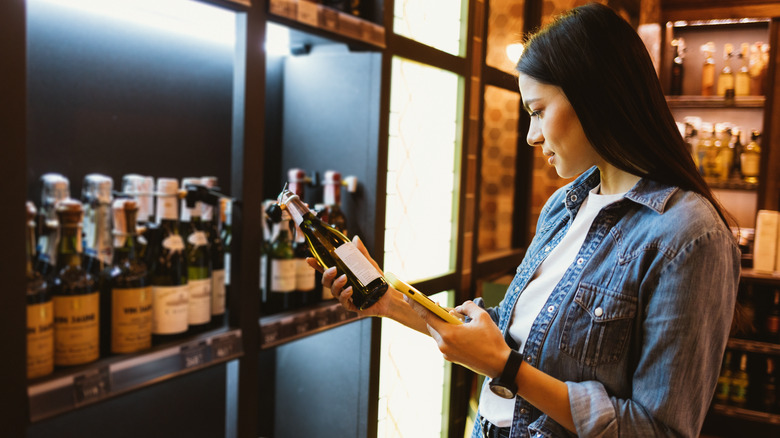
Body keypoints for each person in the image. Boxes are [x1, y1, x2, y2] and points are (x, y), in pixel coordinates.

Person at [310, 3, 741, 437]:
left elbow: (658, 429)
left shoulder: (688, 234)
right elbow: (514, 335)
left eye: (537, 111)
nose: (532, 135)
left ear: (594, 97)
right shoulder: (563, 206)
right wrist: (388, 300)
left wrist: (505, 367)